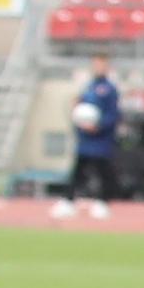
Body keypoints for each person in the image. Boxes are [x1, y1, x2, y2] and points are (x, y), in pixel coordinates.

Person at [52, 54, 122, 219]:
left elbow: (113, 114)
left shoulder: (110, 90)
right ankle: (68, 201)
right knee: (78, 172)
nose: (98, 67)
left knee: (103, 171)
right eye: (96, 64)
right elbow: (80, 109)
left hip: (101, 140)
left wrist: (98, 125)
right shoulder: (88, 87)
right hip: (85, 140)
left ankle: (102, 202)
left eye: (102, 64)